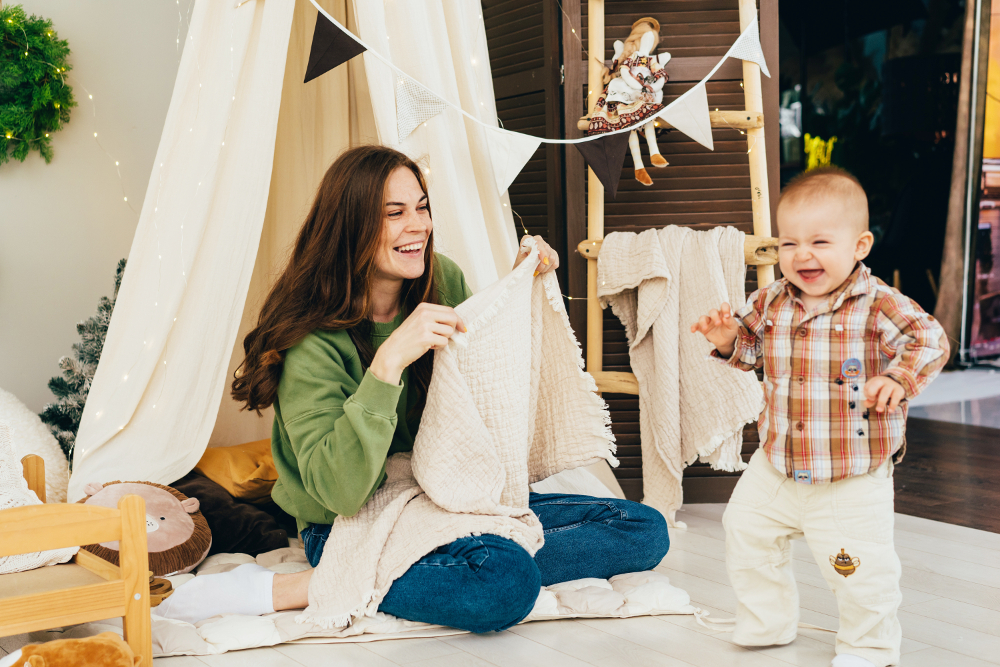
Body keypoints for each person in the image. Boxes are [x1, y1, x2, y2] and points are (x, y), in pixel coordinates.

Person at [156, 145, 669, 632]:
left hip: (444, 495)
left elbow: (483, 390)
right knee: (503, 581)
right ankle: (309, 585)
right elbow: (340, 492)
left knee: (642, 529)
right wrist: (388, 362)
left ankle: (409, 567)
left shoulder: (442, 279)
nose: (418, 226)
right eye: (394, 212)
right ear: (352, 225)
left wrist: (514, 293)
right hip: (346, 522)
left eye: (421, 207)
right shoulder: (309, 338)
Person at [691, 166, 948, 667]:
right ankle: (767, 623)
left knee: (859, 567)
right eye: (789, 243)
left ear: (860, 245)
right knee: (745, 531)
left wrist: (896, 379)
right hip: (778, 460)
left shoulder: (878, 305)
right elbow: (752, 350)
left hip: (851, 471)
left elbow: (931, 339)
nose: (802, 255)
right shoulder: (769, 301)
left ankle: (869, 644)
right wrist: (726, 341)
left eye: (820, 241)